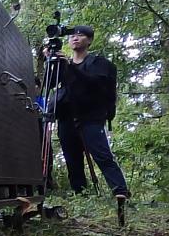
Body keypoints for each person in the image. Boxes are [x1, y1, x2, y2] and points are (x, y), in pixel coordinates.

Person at [44, 25, 129, 198]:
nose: (75, 38)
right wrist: (50, 61)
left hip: (90, 117)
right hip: (66, 117)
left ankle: (121, 192)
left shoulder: (99, 63)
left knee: (102, 155)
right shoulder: (63, 64)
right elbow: (49, 84)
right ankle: (80, 194)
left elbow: (94, 84)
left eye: (81, 35)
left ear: (89, 40)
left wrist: (69, 65)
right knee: (72, 158)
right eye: (72, 36)